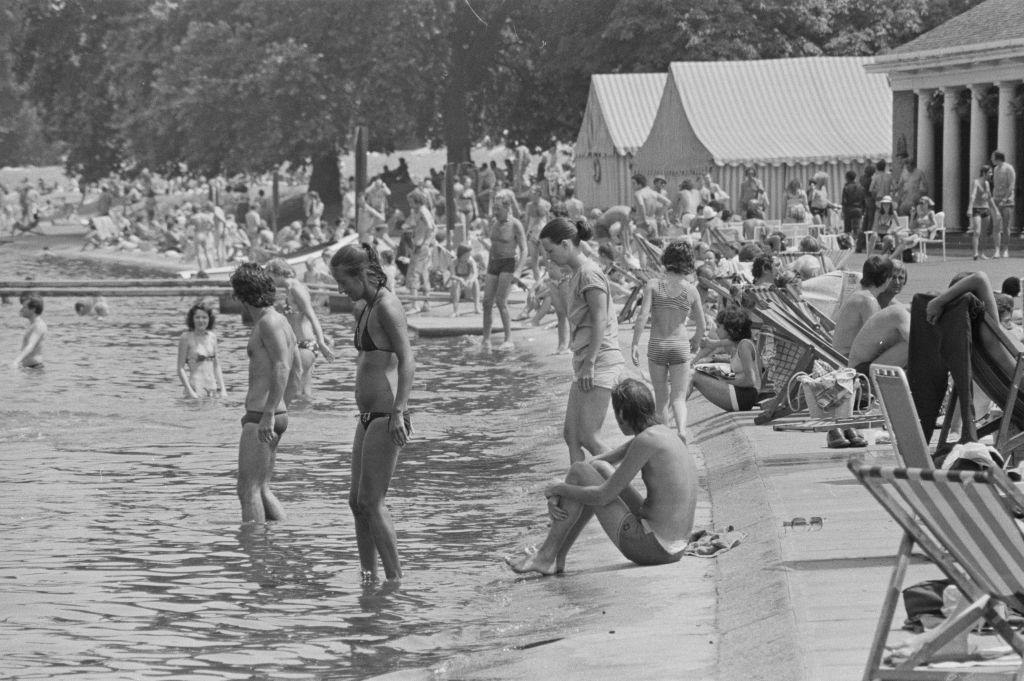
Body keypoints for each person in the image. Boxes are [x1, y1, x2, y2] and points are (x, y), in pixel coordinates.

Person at [505, 379, 697, 576]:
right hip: (674, 546)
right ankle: (555, 556)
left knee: (581, 472)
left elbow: (602, 496)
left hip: (653, 548)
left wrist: (558, 489)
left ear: (621, 414)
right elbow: (598, 462)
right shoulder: (662, 433)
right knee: (593, 469)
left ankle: (546, 556)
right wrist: (558, 488)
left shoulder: (645, 441)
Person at [330, 244, 415, 584]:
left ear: (362, 274)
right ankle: (369, 577)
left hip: (386, 414)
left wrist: (399, 411)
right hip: (368, 416)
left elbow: (408, 359)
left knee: (372, 500)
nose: (340, 289)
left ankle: (395, 580)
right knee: (356, 502)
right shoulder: (364, 307)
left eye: (342, 281)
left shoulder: (387, 306)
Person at [540, 217, 625, 463]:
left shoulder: (589, 273)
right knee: (572, 435)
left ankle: (622, 488)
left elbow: (600, 320)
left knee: (589, 436)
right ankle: (580, 486)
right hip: (585, 360)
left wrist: (590, 363)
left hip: (598, 361)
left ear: (566, 244)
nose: (548, 257)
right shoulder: (577, 274)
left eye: (550, 251)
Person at [230, 263, 299, 524]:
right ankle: (278, 540)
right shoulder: (281, 320)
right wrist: (281, 406)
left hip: (263, 414)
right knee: (262, 488)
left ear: (242, 294)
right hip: (271, 412)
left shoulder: (268, 323)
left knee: (247, 490)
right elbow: (297, 367)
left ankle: (254, 555)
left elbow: (283, 365)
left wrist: (269, 413)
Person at [630, 242, 705, 442]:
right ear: (688, 263)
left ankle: (666, 440)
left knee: (661, 397)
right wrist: (696, 341)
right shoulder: (691, 291)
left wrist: (635, 344)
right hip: (680, 345)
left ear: (666, 261)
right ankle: (681, 430)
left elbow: (642, 316)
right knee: (679, 398)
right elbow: (702, 325)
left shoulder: (653, 285)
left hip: (657, 345)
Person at [264, 258, 336, 403]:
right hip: (298, 344)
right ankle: (305, 422)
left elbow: (312, 315)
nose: (267, 280)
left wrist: (321, 342)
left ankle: (283, 419)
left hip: (305, 345)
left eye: (268, 275)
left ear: (276, 272)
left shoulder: (296, 288)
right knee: (303, 393)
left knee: (290, 390)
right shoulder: (290, 289)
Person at [690, 306, 761, 412]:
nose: (716, 330)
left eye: (718, 327)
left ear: (730, 330)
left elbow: (750, 381)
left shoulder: (744, 346)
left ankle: (665, 416)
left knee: (691, 375)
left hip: (743, 397)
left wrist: (724, 381)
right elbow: (721, 343)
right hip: (741, 394)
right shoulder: (740, 343)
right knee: (696, 371)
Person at [480, 193, 527, 351]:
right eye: (494, 208)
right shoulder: (493, 222)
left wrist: (519, 271)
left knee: (501, 301)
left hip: (508, 262)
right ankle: (486, 339)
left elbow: (524, 249)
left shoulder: (515, 224)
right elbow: (493, 247)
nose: (495, 211)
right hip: (494, 263)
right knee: (486, 302)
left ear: (507, 208)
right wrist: (487, 269)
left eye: (498, 208)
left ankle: (509, 339)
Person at [832, 255, 894, 357]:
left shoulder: (859, 293)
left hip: (840, 354)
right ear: (886, 278)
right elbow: (875, 340)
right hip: (848, 360)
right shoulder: (868, 301)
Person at [176, 302, 227, 399]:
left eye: (204, 317)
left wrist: (223, 389)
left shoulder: (213, 337)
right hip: (195, 389)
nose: (201, 320)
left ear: (209, 319)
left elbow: (217, 365)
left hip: (212, 389)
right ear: (192, 319)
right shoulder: (185, 338)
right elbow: (180, 368)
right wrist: (190, 392)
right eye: (197, 317)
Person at [403, 188, 435, 314]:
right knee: (423, 274)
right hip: (420, 245)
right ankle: (427, 304)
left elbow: (431, 227)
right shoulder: (417, 211)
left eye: (411, 202)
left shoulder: (422, 211)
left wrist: (426, 241)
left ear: (417, 202)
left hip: (421, 247)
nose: (410, 205)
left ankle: (415, 305)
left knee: (414, 275)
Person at [967, 165, 994, 260]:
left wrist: (994, 209)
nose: (991, 174)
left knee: (984, 232)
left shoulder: (987, 183)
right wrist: (970, 208)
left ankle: (982, 253)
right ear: (984, 173)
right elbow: (973, 196)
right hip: (977, 209)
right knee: (977, 231)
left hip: (985, 209)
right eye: (990, 172)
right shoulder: (976, 182)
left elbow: (989, 197)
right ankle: (975, 253)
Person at [992, 150, 1016, 257]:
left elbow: (1011, 185)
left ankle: (1005, 249)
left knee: (1006, 226)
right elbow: (995, 185)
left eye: (993, 157)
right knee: (996, 226)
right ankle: (997, 249)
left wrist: (1005, 199)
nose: (991, 159)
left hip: (1007, 201)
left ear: (998, 158)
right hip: (996, 199)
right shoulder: (995, 169)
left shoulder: (1009, 168)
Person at [11, 295, 46, 369]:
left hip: (35, 369)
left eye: (24, 307)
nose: (21, 309)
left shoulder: (38, 325)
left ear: (33, 309)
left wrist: (16, 361)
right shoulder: (32, 324)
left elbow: (30, 346)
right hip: (29, 368)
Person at [449, 244, 480, 316]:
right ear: (461, 254)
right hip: (457, 289)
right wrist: (460, 279)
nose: (468, 256)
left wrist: (470, 280)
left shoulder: (471, 261)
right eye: (466, 254)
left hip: (468, 289)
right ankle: (455, 310)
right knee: (455, 282)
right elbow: (452, 275)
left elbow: (475, 274)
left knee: (475, 281)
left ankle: (477, 307)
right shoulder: (454, 262)